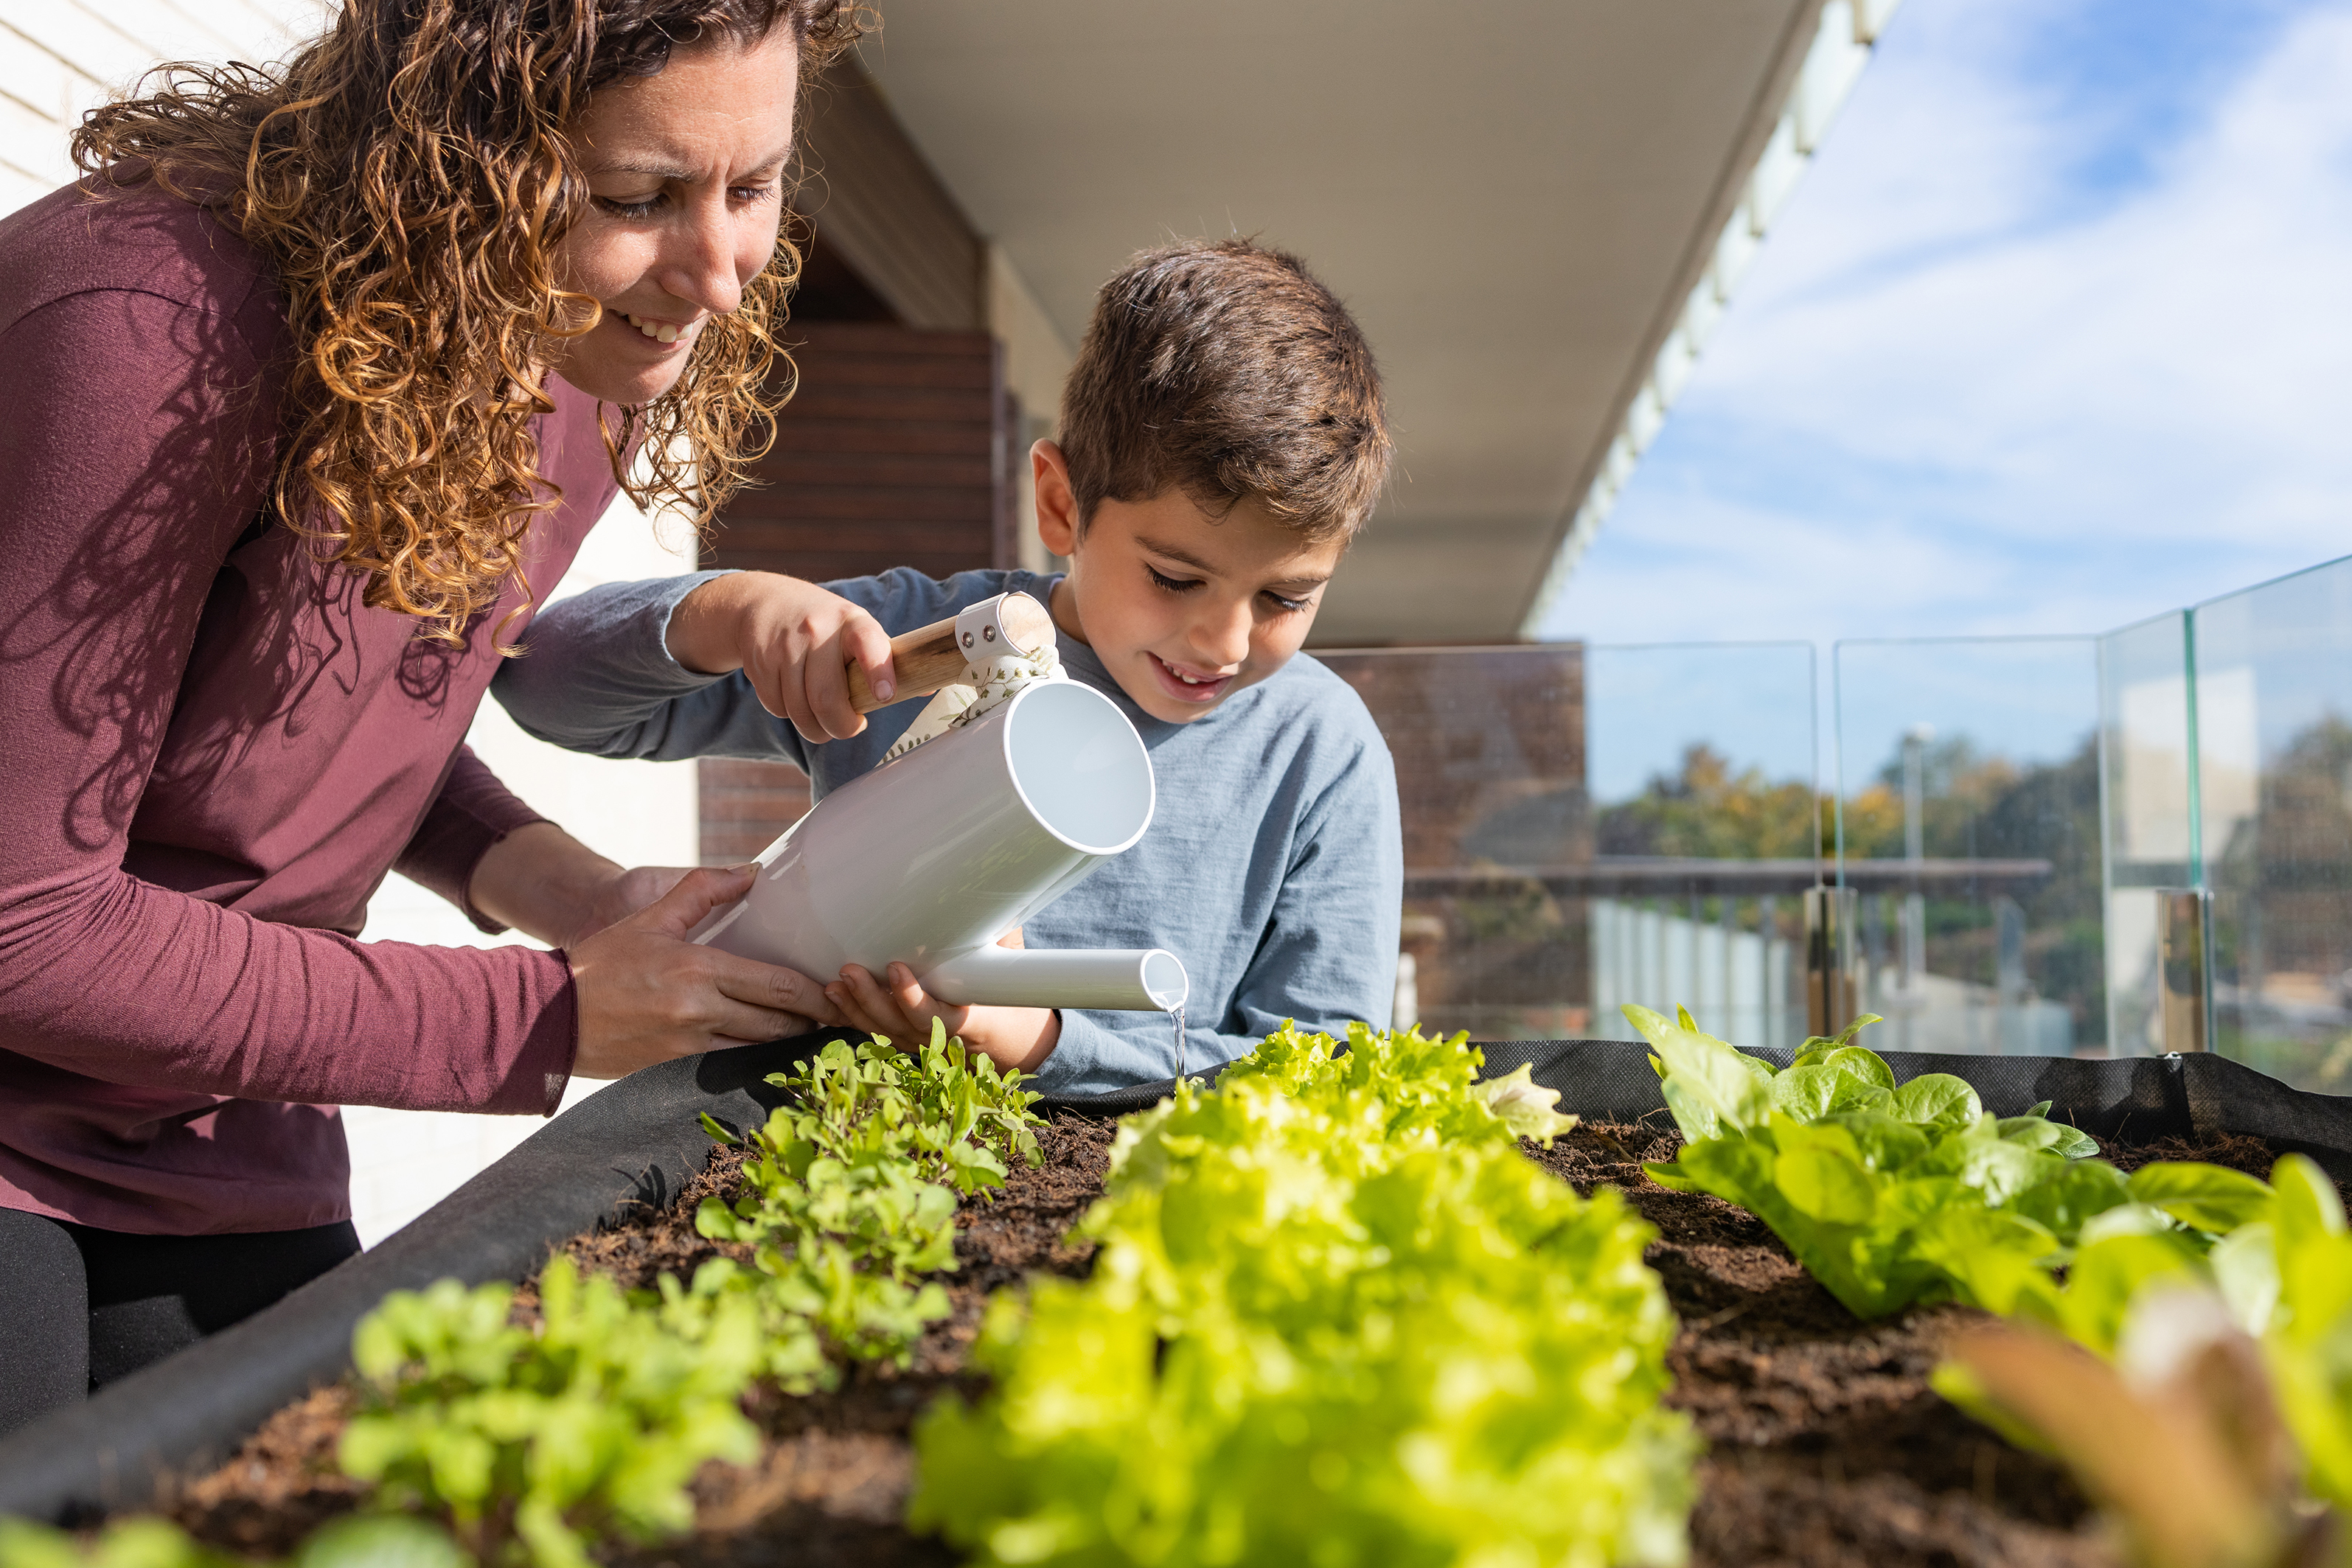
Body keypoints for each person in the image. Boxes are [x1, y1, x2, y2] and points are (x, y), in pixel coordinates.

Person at [0, 0, 866, 1432]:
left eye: (752, 185)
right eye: (636, 198)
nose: (716, 274)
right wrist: (545, 1015)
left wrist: (584, 897)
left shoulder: (574, 351)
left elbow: (321, 708)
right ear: (458, 163)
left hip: (211, 1118)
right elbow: (23, 915)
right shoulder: (145, 328)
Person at [494, 239, 1405, 1095]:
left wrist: (1042, 1043)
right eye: (1175, 578)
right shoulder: (927, 642)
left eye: (1285, 599)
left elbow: (1324, 1074)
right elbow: (538, 685)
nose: (1225, 643)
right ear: (1059, 504)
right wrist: (728, 615)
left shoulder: (1319, 750)